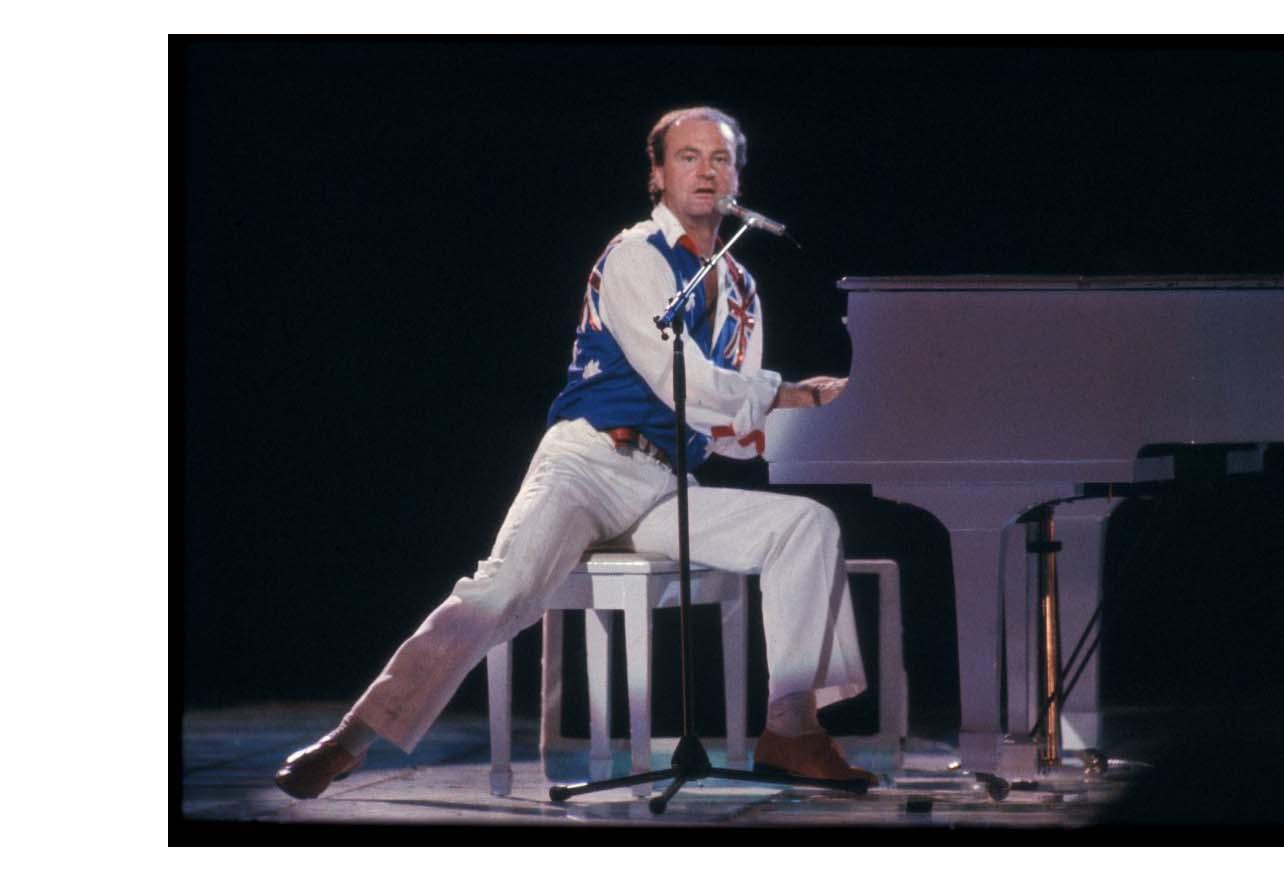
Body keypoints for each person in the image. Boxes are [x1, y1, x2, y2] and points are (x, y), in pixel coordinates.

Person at [275, 106, 876, 799]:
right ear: (657, 174)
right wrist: (790, 396)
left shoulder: (741, 291)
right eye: (688, 157)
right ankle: (349, 738)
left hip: (664, 482)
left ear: (738, 174)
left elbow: (725, 426)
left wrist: (828, 419)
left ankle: (793, 729)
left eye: (720, 158)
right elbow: (680, 378)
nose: (706, 171)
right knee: (499, 591)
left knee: (806, 524)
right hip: (587, 464)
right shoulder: (633, 257)